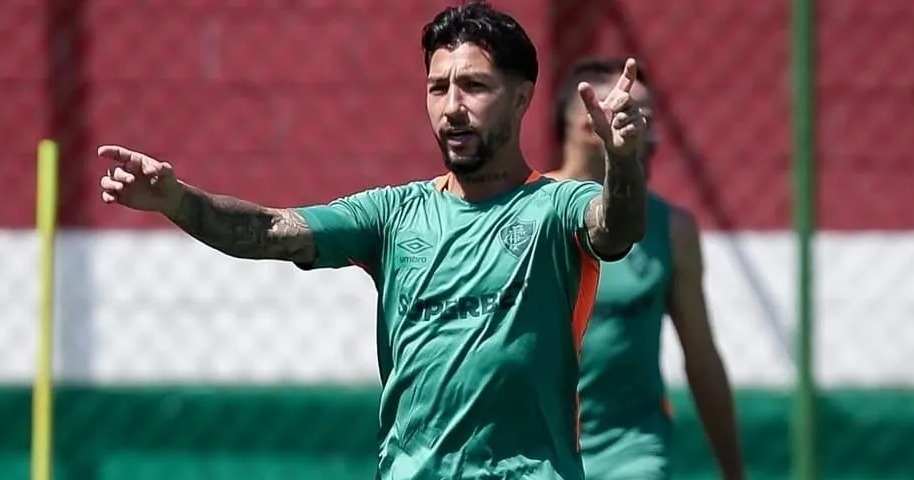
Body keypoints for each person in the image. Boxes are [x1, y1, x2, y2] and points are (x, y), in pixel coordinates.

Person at [98, 1, 648, 478]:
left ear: (522, 98)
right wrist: (176, 200)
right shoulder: (391, 214)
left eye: (474, 86)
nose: (451, 106)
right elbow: (268, 229)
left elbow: (616, 228)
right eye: (438, 87)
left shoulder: (556, 207)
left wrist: (622, 162)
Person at [548, 58, 745, 479]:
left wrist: (734, 471)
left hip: (632, 451)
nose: (649, 131)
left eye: (649, 118)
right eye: (631, 113)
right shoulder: (522, 216)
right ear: (587, 124)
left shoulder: (672, 230)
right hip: (536, 452)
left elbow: (702, 357)